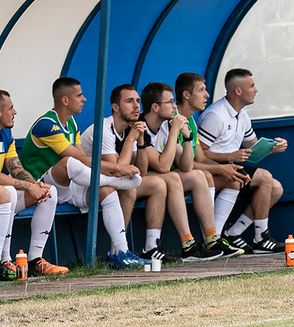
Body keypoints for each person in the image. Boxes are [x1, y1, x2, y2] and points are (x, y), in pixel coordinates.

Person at [19, 78, 146, 269]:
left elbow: (82, 161)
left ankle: (121, 252)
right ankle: (114, 181)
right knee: (69, 161)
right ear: (65, 100)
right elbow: (79, 158)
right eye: (79, 95)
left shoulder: (71, 124)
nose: (84, 99)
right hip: (41, 187)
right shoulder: (47, 124)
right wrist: (119, 170)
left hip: (66, 186)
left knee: (108, 192)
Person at [197, 68, 287, 254]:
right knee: (264, 177)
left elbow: (253, 148)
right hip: (212, 171)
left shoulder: (243, 116)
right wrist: (229, 157)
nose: (255, 90)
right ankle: (261, 237)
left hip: (232, 169)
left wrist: (274, 147)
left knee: (276, 188)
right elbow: (200, 155)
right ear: (238, 91)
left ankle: (233, 233)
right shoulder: (215, 115)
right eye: (252, 85)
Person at [80, 84, 170, 261]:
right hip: (85, 186)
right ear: (115, 107)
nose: (137, 106)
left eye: (137, 101)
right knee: (129, 189)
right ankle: (118, 252)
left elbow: (142, 172)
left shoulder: (132, 128)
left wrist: (142, 140)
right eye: (129, 101)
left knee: (158, 184)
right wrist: (131, 138)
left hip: (110, 183)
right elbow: (116, 169)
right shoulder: (104, 128)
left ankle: (151, 246)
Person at [140, 82, 228, 261]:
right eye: (170, 102)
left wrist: (187, 137)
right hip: (139, 178)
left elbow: (187, 165)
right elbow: (163, 166)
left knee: (197, 176)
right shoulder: (142, 126)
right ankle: (188, 244)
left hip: (156, 178)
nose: (174, 107)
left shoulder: (165, 124)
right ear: (155, 107)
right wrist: (174, 131)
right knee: (171, 177)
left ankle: (211, 237)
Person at [175, 72, 247, 256]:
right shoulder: (174, 120)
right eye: (201, 90)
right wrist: (220, 168)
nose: (207, 95)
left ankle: (215, 237)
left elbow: (200, 158)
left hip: (185, 174)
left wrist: (228, 170)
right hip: (172, 175)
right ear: (186, 95)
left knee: (233, 179)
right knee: (205, 175)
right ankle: (209, 238)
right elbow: (187, 165)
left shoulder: (190, 120)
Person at [0, 89, 68, 277]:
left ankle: (35, 260)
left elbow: (16, 168)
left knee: (49, 192)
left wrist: (35, 186)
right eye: (11, 108)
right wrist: (30, 186)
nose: (15, 113)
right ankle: (3, 260)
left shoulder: (5, 133)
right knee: (9, 193)